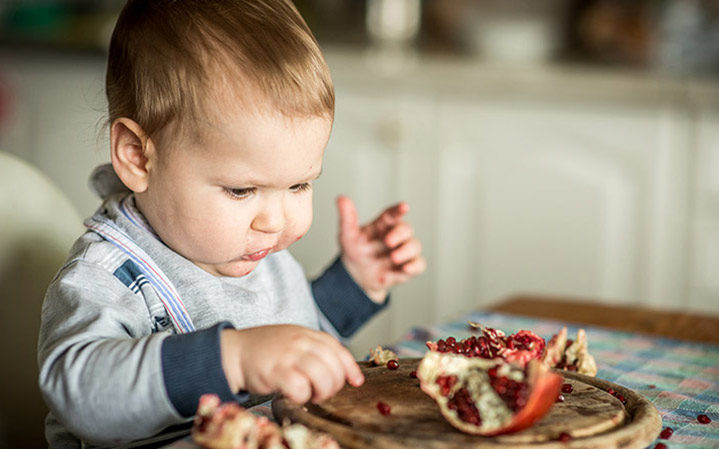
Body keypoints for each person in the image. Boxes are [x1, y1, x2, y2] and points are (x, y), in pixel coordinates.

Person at [36, 1, 426, 448]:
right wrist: (231, 360)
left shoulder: (238, 242)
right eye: (241, 191)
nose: (276, 221)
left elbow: (287, 329)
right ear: (138, 156)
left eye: (299, 185)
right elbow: (80, 392)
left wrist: (354, 283)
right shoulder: (107, 275)